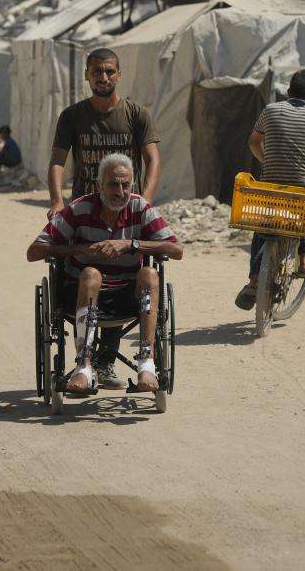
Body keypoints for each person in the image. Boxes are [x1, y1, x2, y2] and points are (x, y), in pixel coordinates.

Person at [48, 48, 162, 388]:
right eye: (97, 71)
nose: (103, 77)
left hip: (126, 210)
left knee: (125, 271)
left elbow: (153, 160)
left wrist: (145, 201)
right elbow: (57, 161)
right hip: (86, 214)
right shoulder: (73, 116)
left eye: (110, 71)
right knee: (87, 274)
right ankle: (85, 357)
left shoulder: (136, 114)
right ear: (87, 75)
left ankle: (106, 359)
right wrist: (57, 201)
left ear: (119, 74)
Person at [26, 152, 183, 394]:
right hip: (82, 294)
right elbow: (34, 251)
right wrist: (81, 249)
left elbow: (176, 249)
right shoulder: (79, 209)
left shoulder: (140, 208)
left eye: (125, 185)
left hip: (127, 295)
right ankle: (84, 367)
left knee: (150, 274)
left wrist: (131, 244)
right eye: (112, 184)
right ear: (99, 185)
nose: (120, 191)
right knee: (91, 273)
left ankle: (147, 363)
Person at [235, 69, 305, 311]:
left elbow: (253, 142)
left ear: (288, 91)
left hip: (270, 187)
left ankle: (254, 281)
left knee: (261, 227)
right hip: (300, 189)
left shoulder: (270, 110)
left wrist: (267, 160)